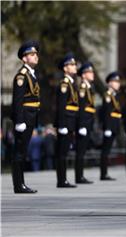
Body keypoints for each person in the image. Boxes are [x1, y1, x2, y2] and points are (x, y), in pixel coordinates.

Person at [11, 40, 40, 193]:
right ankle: (18, 185)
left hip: (30, 116)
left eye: (36, 53)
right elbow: (18, 100)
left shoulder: (31, 74)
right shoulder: (21, 76)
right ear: (24, 58)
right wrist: (19, 120)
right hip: (25, 118)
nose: (35, 56)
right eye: (31, 54)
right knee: (19, 152)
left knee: (22, 151)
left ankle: (21, 183)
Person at [54, 53, 78, 188]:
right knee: (62, 153)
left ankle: (63, 179)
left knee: (64, 152)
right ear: (65, 68)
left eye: (74, 64)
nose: (74, 67)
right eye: (72, 65)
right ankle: (61, 180)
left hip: (70, 122)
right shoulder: (64, 84)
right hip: (65, 122)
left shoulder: (71, 83)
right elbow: (61, 106)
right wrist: (62, 124)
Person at [75, 62, 96, 184]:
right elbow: (82, 108)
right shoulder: (83, 87)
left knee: (82, 151)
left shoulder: (89, 87)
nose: (92, 74)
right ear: (83, 75)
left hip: (88, 122)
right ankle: (79, 176)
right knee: (80, 150)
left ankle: (81, 175)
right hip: (84, 123)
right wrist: (82, 125)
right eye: (90, 72)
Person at [99, 72, 122, 181]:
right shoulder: (108, 95)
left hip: (114, 126)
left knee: (107, 151)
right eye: (116, 82)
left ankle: (105, 173)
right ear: (110, 83)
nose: (118, 84)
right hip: (109, 126)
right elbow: (107, 113)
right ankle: (103, 174)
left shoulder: (114, 95)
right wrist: (107, 127)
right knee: (105, 151)